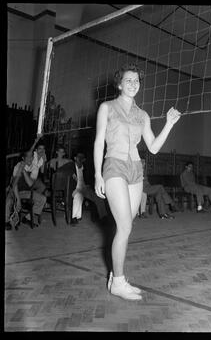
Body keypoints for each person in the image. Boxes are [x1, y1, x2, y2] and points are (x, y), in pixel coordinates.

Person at [94, 63, 181, 300]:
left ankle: (116, 276)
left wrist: (169, 125)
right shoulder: (107, 107)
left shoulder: (143, 115)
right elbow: (99, 141)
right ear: (119, 84)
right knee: (124, 227)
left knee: (126, 226)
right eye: (128, 80)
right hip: (113, 165)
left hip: (135, 169)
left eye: (136, 81)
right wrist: (97, 174)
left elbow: (152, 148)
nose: (133, 84)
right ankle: (118, 282)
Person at [57, 152, 108, 225]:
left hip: (85, 188)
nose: (80, 159)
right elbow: (60, 169)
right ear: (75, 158)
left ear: (84, 159)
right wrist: (71, 173)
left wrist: (90, 185)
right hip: (75, 189)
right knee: (78, 197)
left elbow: (91, 178)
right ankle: (75, 218)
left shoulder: (86, 167)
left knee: (98, 197)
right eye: (79, 157)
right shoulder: (71, 165)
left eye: (82, 157)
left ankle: (103, 217)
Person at [5, 150, 47, 230]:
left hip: (25, 191)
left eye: (31, 157)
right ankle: (6, 221)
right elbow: (14, 185)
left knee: (42, 199)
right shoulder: (17, 166)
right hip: (14, 191)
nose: (30, 159)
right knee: (8, 201)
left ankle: (27, 218)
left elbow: (31, 184)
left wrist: (24, 171)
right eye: (27, 157)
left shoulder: (34, 167)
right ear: (23, 158)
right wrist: (18, 200)